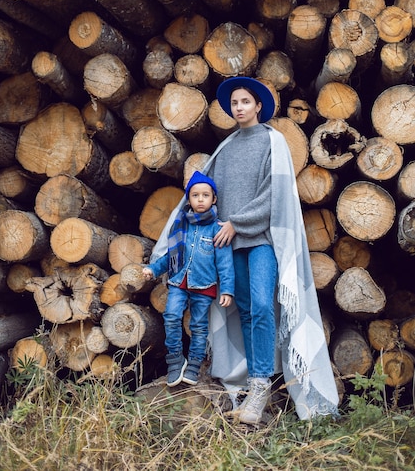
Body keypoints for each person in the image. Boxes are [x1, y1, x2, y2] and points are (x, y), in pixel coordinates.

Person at [150, 76, 339, 424]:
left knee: (265, 306)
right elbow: (206, 196)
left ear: (258, 106)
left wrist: (237, 222)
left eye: (245, 102)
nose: (238, 108)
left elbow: (274, 194)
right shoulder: (227, 147)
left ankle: (261, 386)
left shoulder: (274, 141)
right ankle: (254, 387)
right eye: (234, 103)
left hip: (260, 240)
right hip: (227, 245)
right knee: (247, 311)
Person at [143, 171, 234, 387]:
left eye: (205, 195)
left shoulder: (217, 229)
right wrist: (154, 269)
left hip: (204, 285)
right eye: (195, 195)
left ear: (214, 199)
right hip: (178, 283)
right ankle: (175, 360)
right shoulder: (182, 225)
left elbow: (225, 262)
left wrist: (228, 289)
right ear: (189, 199)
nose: (200, 199)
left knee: (199, 326)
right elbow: (170, 256)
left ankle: (194, 364)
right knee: (172, 316)